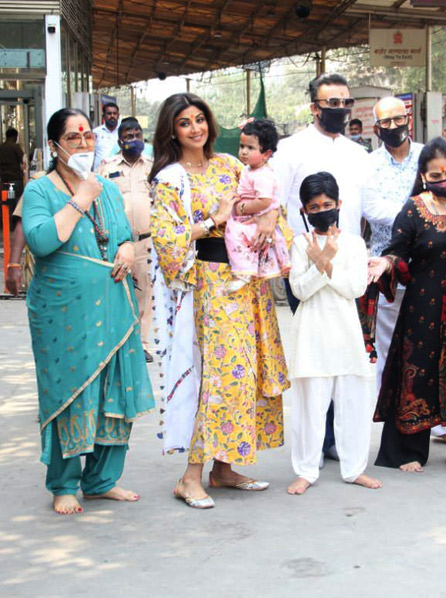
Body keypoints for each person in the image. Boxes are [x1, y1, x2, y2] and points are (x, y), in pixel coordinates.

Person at [149, 93, 288, 509]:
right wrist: (213, 220)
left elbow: (264, 202)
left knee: (246, 375)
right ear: (172, 131)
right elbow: (167, 239)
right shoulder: (171, 179)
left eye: (200, 119)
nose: (196, 128)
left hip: (247, 281)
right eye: (185, 123)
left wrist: (267, 216)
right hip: (209, 283)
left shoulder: (230, 165)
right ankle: (189, 477)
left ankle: (224, 468)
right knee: (219, 377)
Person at [21, 108, 154, 515]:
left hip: (114, 306)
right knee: (69, 391)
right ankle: (63, 483)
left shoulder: (108, 189)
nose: (83, 144)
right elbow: (43, 242)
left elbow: (122, 237)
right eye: (74, 138)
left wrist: (128, 250)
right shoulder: (39, 191)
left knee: (115, 390)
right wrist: (79, 199)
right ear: (54, 145)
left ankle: (101, 480)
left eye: (88, 138)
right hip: (62, 313)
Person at [272, 72, 371, 463]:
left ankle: (341, 442)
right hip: (306, 261)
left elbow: (366, 211)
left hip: (346, 263)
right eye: (333, 103)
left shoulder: (358, 153)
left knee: (345, 354)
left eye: (346, 103)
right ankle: (317, 442)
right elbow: (275, 205)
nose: (341, 110)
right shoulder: (291, 149)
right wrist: (292, 256)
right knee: (315, 357)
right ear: (315, 107)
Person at [367, 137, 446, 472]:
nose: (444, 180)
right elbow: (398, 250)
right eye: (436, 175)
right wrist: (385, 264)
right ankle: (406, 450)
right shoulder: (414, 208)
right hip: (422, 306)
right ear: (424, 176)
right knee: (417, 371)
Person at [287, 172, 381, 495]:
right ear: (304, 211)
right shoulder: (300, 244)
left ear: (339, 205)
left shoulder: (354, 243)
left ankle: (355, 468)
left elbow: (355, 288)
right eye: (314, 207)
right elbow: (299, 291)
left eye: (327, 204)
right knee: (310, 405)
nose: (322, 210)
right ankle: (305, 471)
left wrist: (325, 264)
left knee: (353, 401)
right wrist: (320, 261)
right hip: (312, 334)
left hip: (345, 333)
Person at [362, 96, 424, 392]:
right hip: (386, 270)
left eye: (398, 119)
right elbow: (372, 208)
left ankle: (429, 414)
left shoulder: (428, 157)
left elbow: (442, 200)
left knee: (425, 341)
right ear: (376, 128)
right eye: (386, 121)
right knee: (387, 344)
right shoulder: (368, 164)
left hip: (426, 267)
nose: (393, 126)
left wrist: (402, 212)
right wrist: (417, 214)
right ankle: (388, 407)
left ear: (408, 119)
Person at [98, 117, 155, 362]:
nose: (134, 140)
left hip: (145, 242)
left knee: (144, 294)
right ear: (120, 140)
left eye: (137, 135)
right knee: (117, 290)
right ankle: (117, 343)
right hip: (116, 243)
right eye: (128, 136)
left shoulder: (153, 167)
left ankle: (141, 344)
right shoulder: (106, 167)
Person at [225, 118, 292, 292]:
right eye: (242, 146)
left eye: (250, 148)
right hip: (253, 212)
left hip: (255, 214)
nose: (244, 152)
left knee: (235, 234)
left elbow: (264, 201)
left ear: (266, 154)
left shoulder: (262, 175)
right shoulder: (250, 169)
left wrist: (239, 209)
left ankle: (243, 271)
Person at [0, 127, 26, 215]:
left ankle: (7, 220)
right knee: (17, 201)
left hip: (4, 179)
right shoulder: (15, 147)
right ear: (15, 136)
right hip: (15, 178)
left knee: (6, 201)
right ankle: (15, 222)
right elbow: (23, 160)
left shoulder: (1, 147)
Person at [93, 102, 120, 170]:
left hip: (118, 173)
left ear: (118, 115)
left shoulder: (123, 132)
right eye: (109, 113)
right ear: (103, 116)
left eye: (114, 113)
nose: (112, 116)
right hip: (99, 174)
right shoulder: (96, 132)